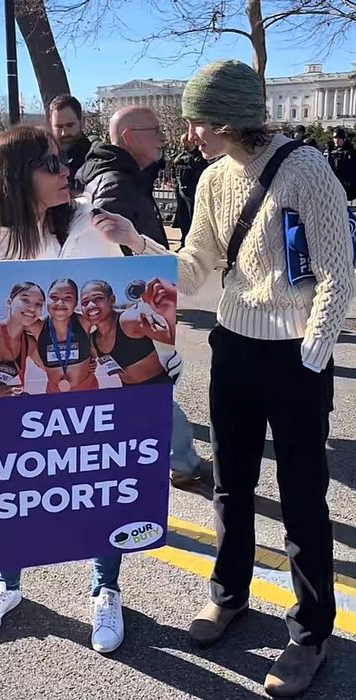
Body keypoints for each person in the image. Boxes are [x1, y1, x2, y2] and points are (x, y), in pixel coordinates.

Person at [99, 59, 354, 697]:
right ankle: (230, 594)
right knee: (230, 485)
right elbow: (195, 267)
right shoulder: (213, 178)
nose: (189, 135)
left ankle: (309, 632)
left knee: (301, 496)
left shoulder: (307, 171)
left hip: (295, 354)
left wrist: (313, 355)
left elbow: (336, 276)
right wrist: (135, 241)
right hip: (233, 345)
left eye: (196, 123)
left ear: (228, 119)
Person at [0, 125, 158, 654]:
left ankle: (105, 588)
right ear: (17, 177)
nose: (68, 172)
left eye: (64, 162)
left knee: (101, 479)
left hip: (94, 390)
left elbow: (163, 282)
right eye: (52, 165)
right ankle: (6, 584)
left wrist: (134, 240)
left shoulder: (94, 225)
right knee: (12, 484)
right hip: (16, 393)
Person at [75, 105, 169, 248]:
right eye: (156, 131)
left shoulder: (127, 177)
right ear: (129, 137)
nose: (162, 138)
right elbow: (114, 251)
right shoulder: (116, 185)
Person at [48, 94, 93, 194]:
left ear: (82, 122)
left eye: (70, 125)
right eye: (59, 127)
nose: (64, 133)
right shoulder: (44, 158)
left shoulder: (93, 157)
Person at [328, 127, 356, 203]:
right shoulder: (332, 152)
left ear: (343, 139)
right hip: (334, 186)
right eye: (334, 138)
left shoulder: (349, 152)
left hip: (345, 188)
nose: (336, 140)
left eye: (338, 138)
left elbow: (352, 171)